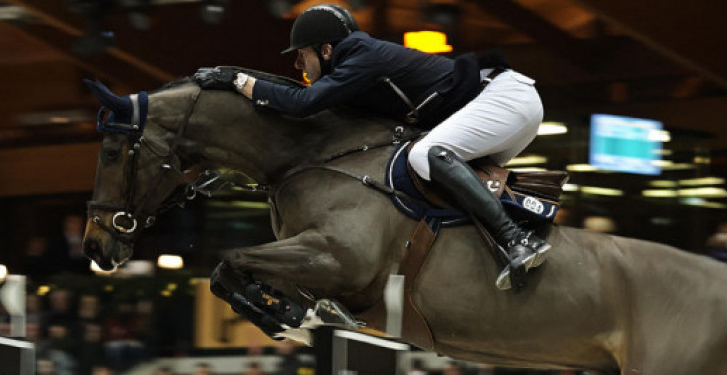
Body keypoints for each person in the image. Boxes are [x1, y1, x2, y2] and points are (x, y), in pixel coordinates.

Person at [193, 4, 549, 290]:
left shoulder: (360, 53)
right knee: (435, 183)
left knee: (426, 155)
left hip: (506, 98)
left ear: (327, 49)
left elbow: (302, 103)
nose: (297, 65)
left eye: (302, 55)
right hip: (504, 106)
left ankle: (517, 240)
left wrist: (238, 80)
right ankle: (500, 251)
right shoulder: (356, 71)